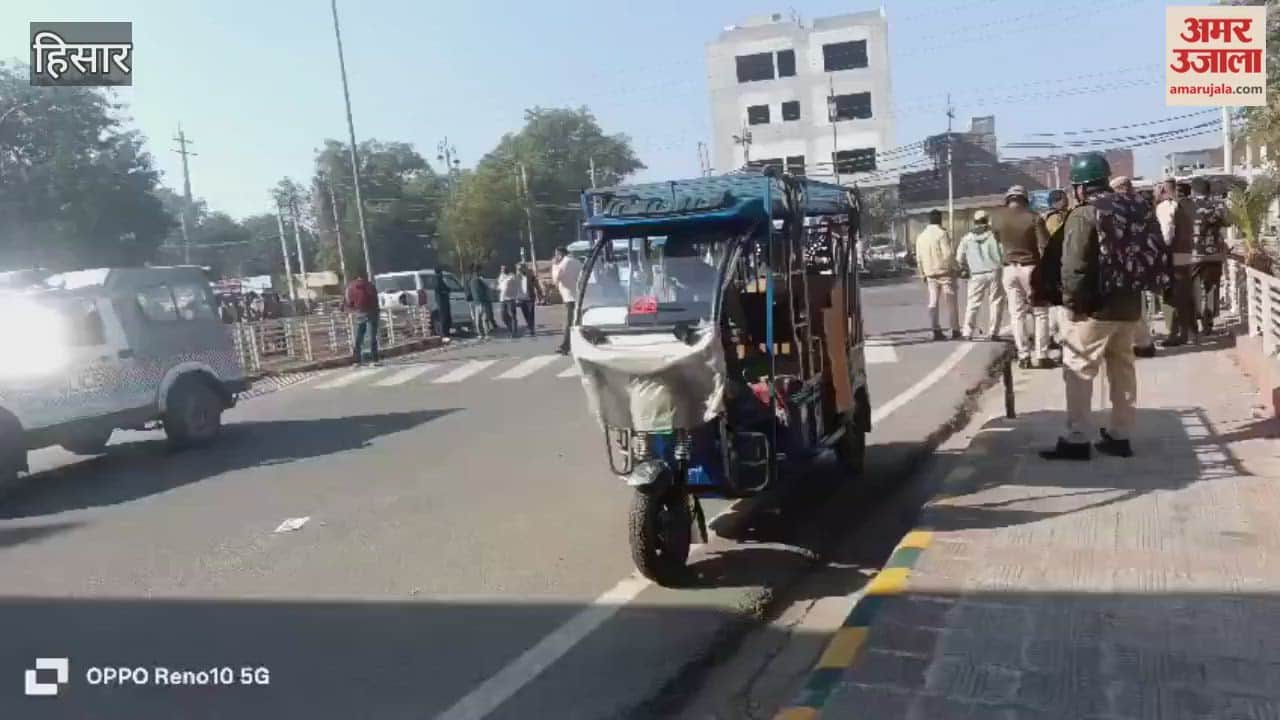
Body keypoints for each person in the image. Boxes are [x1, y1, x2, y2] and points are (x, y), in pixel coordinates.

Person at [1042, 153, 1162, 461]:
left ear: (1082, 187)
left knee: (1080, 369)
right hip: (1130, 305)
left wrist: (1072, 305)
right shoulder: (1136, 205)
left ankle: (1077, 438)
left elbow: (1075, 267)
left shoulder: (1084, 213)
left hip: (1096, 308)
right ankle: (1120, 436)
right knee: (1122, 368)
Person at [993, 185, 1053, 369]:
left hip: (1009, 269)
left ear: (1008, 199)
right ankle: (1041, 355)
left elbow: (997, 238)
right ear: (1025, 199)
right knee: (1040, 312)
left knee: (1016, 314)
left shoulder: (998, 219)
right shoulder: (1034, 217)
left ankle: (1023, 356)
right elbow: (1045, 244)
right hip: (1031, 267)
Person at [1110, 176, 1157, 358]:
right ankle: (1143, 343)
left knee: (1125, 303)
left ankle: (1139, 343)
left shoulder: (1116, 207)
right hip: (1140, 260)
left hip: (1123, 261)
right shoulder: (1142, 204)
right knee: (1137, 302)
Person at [1156, 179, 1197, 347]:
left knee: (1171, 295)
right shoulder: (1187, 206)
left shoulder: (1164, 207)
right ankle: (1191, 332)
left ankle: (1174, 333)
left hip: (1172, 255)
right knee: (1186, 292)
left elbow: (1166, 235)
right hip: (1185, 253)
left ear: (1164, 190)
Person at [955, 210, 1006, 341]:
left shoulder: (967, 238)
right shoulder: (994, 235)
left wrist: (964, 268)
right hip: (995, 271)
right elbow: (1003, 251)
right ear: (987, 220)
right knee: (995, 302)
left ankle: (967, 332)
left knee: (972, 303)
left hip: (976, 274)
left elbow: (959, 258)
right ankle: (993, 332)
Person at [1188, 176, 1228, 336]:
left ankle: (1192, 324)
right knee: (1210, 289)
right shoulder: (1217, 205)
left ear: (1193, 190)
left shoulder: (1185, 205)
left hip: (1191, 255)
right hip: (1213, 254)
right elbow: (1228, 222)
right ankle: (1207, 324)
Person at [914, 209, 960, 341]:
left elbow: (919, 259)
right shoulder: (942, 234)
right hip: (944, 273)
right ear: (940, 220)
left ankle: (935, 329)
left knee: (933, 302)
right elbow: (948, 254)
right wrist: (955, 268)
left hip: (930, 274)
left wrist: (922, 273)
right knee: (950, 302)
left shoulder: (921, 236)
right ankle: (955, 329)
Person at [1037, 189, 1070, 350]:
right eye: (1063, 199)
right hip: (1057, 264)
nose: (1067, 201)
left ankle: (1053, 334)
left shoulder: (1051, 217)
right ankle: (1056, 335)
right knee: (1059, 302)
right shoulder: (1055, 218)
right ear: (1056, 202)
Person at [345, 272, 381, 365]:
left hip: (359, 313)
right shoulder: (370, 285)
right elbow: (375, 299)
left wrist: (353, 309)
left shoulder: (351, 287)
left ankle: (357, 360)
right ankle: (374, 359)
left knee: (359, 336)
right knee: (372, 336)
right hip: (372, 312)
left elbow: (349, 302)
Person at [552, 246, 582, 354]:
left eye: (556, 255)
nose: (555, 257)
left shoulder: (564, 263)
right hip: (578, 296)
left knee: (569, 323)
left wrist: (554, 265)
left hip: (569, 297)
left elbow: (556, 279)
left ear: (560, 254)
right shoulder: (576, 261)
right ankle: (575, 345)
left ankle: (565, 346)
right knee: (577, 322)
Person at [517, 261, 541, 336]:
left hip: (530, 297)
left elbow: (536, 285)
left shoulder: (531, 275)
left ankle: (531, 328)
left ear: (525, 268)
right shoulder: (517, 277)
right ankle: (529, 325)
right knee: (525, 314)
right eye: (518, 269)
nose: (519, 270)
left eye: (520, 268)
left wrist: (540, 293)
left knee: (531, 313)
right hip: (521, 298)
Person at [467, 264, 490, 339]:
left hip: (479, 302)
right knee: (481, 319)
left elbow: (486, 289)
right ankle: (483, 334)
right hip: (479, 302)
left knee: (481, 319)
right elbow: (487, 289)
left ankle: (483, 334)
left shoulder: (475, 280)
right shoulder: (477, 280)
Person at [497, 264, 520, 338]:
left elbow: (512, 285)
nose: (502, 270)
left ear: (507, 269)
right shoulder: (501, 277)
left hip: (510, 299)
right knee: (503, 316)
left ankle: (514, 332)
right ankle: (511, 329)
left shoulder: (512, 276)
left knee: (512, 315)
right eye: (501, 269)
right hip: (503, 299)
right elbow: (500, 286)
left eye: (504, 269)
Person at [433, 266, 453, 340]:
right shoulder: (437, 280)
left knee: (447, 318)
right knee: (443, 318)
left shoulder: (440, 280)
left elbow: (447, 289)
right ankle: (444, 334)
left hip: (444, 302)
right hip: (442, 303)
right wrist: (446, 292)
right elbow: (440, 291)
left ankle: (446, 333)